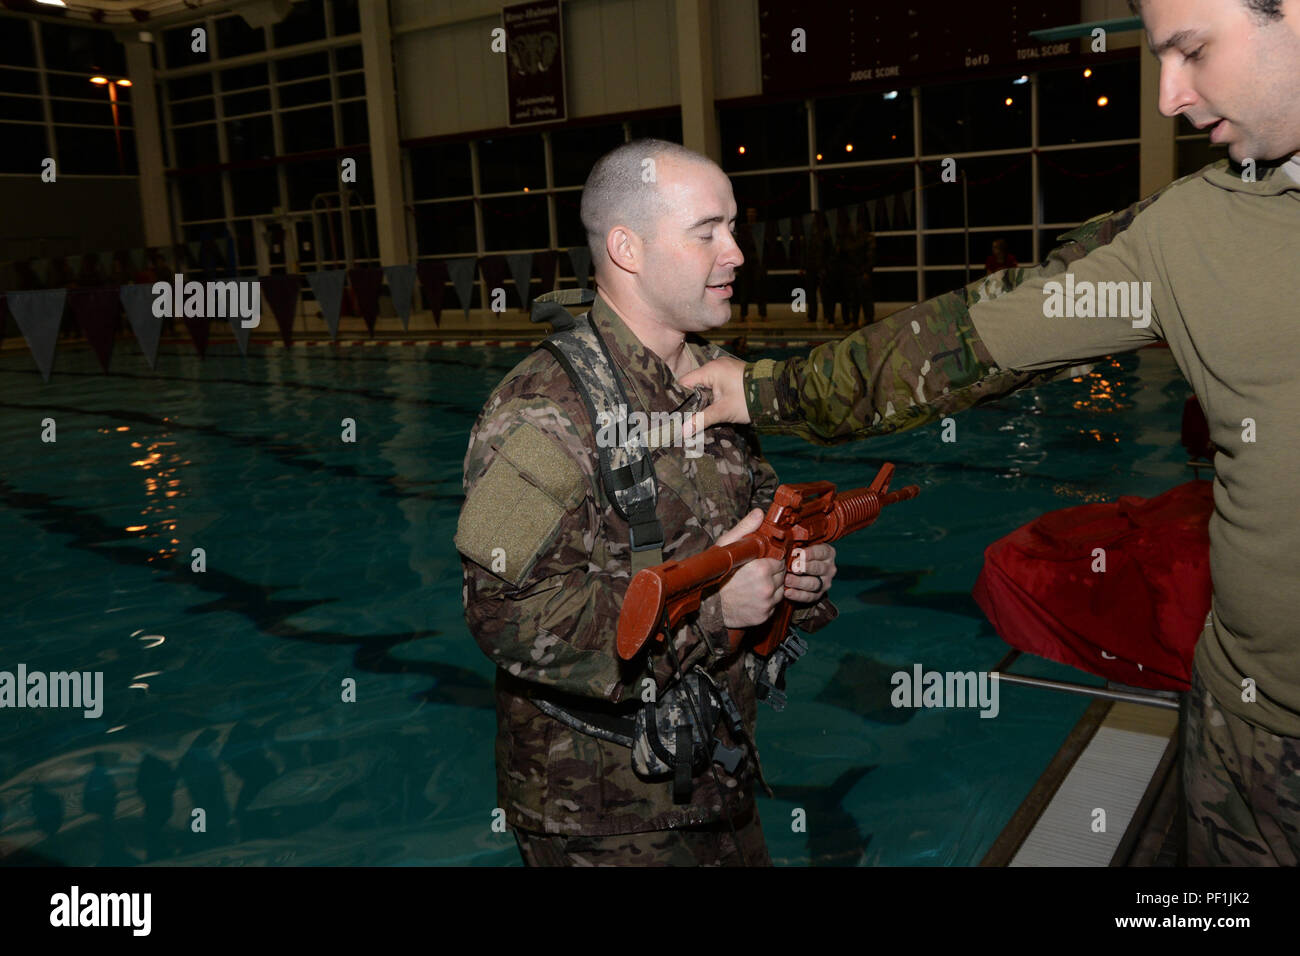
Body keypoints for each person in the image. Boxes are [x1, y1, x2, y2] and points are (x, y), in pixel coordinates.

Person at [680, 0, 1300, 866]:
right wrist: (764, 389)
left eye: (1192, 49)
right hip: (1255, 743)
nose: (1167, 96)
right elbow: (968, 340)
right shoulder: (1195, 232)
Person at [455, 138, 840, 866]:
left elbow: (753, 512)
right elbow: (503, 615)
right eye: (708, 232)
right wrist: (714, 614)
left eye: (733, 227)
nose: (736, 253)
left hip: (713, 771)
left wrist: (797, 571)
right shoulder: (543, 412)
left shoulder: (710, 381)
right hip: (602, 815)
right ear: (628, 248)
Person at [799, 210, 835, 325]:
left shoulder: (826, 233)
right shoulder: (808, 234)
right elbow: (804, 252)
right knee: (810, 293)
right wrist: (803, 267)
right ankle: (812, 316)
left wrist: (826, 267)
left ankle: (827, 315)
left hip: (822, 268)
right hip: (811, 267)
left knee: (826, 294)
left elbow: (830, 253)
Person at [734, 206, 768, 320]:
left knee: (760, 289)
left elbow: (766, 246)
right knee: (744, 290)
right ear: (747, 215)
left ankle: (762, 314)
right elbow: (738, 246)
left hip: (758, 262)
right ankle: (743, 314)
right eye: (749, 213)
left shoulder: (761, 228)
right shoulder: (743, 228)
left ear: (756, 214)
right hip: (745, 262)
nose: (751, 215)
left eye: (753, 213)